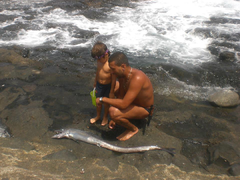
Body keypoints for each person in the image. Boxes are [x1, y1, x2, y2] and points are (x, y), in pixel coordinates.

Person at [96, 52, 154, 141]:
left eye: (113, 69)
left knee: (113, 112)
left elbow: (123, 104)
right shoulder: (122, 76)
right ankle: (119, 116)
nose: (111, 72)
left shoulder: (137, 78)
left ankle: (133, 129)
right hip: (132, 102)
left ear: (123, 66)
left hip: (144, 109)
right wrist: (114, 120)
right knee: (114, 86)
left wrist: (102, 99)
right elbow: (120, 95)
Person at [90, 42, 117, 126]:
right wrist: (95, 82)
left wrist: (112, 91)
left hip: (107, 86)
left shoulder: (110, 64)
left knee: (106, 103)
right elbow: (98, 72)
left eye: (99, 59)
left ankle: (105, 117)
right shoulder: (99, 62)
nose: (98, 61)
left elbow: (113, 79)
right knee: (98, 102)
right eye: (96, 59)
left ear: (106, 55)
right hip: (99, 85)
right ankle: (98, 116)